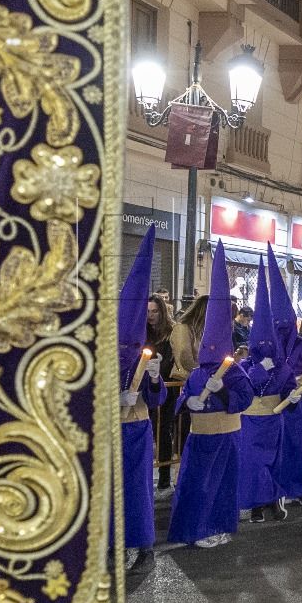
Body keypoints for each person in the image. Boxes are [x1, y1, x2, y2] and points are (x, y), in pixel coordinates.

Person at [167, 243, 254, 548]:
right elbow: (185, 397)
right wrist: (184, 403)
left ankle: (214, 525)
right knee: (195, 484)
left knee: (221, 484)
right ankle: (193, 528)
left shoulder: (234, 372)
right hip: (199, 438)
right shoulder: (197, 373)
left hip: (225, 438)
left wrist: (226, 391)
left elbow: (245, 398)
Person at [118, 227, 168, 574]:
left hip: (135, 431)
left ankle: (140, 543)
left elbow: (158, 397)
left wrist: (152, 377)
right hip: (107, 432)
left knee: (136, 491)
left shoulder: (144, 354)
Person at [235, 252, 287, 523]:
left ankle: (274, 501)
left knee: (274, 461)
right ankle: (256, 503)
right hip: (253, 421)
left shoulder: (282, 367)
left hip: (274, 420)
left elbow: (292, 389)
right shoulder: (246, 365)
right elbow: (241, 389)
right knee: (254, 464)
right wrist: (257, 370)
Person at [268, 249, 302, 506]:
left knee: (299, 447)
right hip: (274, 404)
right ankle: (275, 491)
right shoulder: (267, 345)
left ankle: (301, 488)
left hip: (298, 405)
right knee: (276, 448)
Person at [148, 292, 179, 491]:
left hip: (166, 389)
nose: (150, 315)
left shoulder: (171, 332)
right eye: (148, 312)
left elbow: (172, 360)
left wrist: (160, 371)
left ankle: (165, 476)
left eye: (154, 311)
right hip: (146, 389)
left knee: (163, 431)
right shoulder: (142, 331)